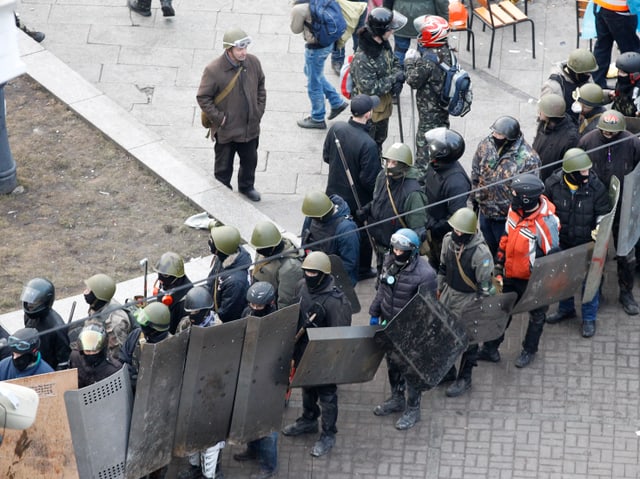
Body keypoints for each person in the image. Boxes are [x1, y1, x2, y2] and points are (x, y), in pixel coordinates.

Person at [478, 174, 560, 368]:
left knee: (537, 315)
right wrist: (499, 262)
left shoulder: (546, 223)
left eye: (514, 193)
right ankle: (491, 348)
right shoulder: (514, 211)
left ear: (526, 198)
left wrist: (543, 283)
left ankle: (529, 350)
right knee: (502, 310)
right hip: (510, 274)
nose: (511, 196)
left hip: (532, 279)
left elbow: (554, 256)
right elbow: (506, 236)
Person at [282, 252, 352, 458]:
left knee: (328, 397)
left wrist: (331, 362)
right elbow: (295, 314)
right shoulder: (301, 287)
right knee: (307, 387)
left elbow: (340, 335)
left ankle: (329, 434)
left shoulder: (337, 301)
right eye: (307, 272)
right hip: (304, 350)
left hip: (326, 356)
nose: (309, 276)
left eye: (314, 272)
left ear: (323, 274)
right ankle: (309, 419)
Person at [369, 228, 437, 430]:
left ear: (413, 251)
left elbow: (428, 308)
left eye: (402, 250)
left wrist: (415, 333)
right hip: (389, 324)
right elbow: (382, 288)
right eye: (395, 249)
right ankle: (397, 398)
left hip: (410, 332)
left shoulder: (426, 275)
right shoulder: (389, 260)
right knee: (393, 364)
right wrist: (375, 312)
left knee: (411, 371)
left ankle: (413, 409)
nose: (397, 253)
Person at [578, 110, 640, 315]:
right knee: (596, 254)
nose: (608, 134)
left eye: (613, 132)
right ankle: (596, 290)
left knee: (626, 253)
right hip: (595, 207)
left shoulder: (632, 143)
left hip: (624, 206)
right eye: (605, 131)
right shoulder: (587, 141)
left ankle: (626, 292)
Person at [544, 148, 611, 337]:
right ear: (571, 173)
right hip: (563, 242)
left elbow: (603, 212)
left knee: (590, 283)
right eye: (582, 172)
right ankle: (566, 310)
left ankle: (589, 318)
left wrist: (600, 227)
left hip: (587, 244)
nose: (586, 174)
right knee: (563, 280)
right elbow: (545, 210)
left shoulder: (596, 188)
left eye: (587, 170)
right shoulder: (553, 185)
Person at [197, 28, 266, 202]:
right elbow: (203, 97)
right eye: (239, 49)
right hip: (226, 130)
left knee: (250, 161)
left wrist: (258, 110)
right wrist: (219, 118)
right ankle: (222, 191)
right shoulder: (213, 70)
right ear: (229, 50)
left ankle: (246, 186)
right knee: (223, 166)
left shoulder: (253, 62)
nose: (244, 52)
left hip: (250, 127)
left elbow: (261, 86)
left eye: (245, 48)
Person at [323, 94, 381, 280]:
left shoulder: (336, 129)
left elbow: (326, 157)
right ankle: (363, 269)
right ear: (368, 114)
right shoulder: (368, 144)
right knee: (361, 235)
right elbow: (369, 180)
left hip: (333, 193)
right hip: (357, 201)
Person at [437, 208, 494, 397]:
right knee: (445, 333)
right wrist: (439, 288)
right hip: (449, 294)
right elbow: (443, 267)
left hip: (469, 299)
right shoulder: (448, 240)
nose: (456, 233)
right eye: (455, 229)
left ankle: (465, 377)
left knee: (469, 340)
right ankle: (447, 370)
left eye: (460, 231)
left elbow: (484, 286)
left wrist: (480, 309)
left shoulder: (481, 253)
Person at [470, 116, 541, 256]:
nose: (495, 136)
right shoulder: (486, 145)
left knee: (506, 252)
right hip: (485, 211)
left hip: (507, 218)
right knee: (490, 246)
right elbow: (476, 171)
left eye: (499, 134)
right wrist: (475, 196)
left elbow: (531, 191)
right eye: (494, 132)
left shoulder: (528, 159)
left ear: (509, 137)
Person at [118, 302, 174, 479]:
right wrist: (134, 379)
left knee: (158, 453)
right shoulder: (136, 336)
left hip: (161, 410)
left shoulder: (172, 346)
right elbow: (123, 359)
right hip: (135, 401)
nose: (142, 328)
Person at [176, 287, 225, 479]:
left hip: (212, 388)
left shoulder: (219, 329)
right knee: (190, 430)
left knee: (211, 438)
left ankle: (211, 473)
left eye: (195, 313)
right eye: (189, 313)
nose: (192, 317)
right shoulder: (185, 324)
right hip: (190, 384)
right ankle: (195, 466)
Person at [232, 282, 279, 479]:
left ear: (270, 303)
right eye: (252, 304)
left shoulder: (277, 323)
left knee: (267, 426)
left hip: (268, 379)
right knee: (250, 418)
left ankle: (269, 465)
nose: (254, 309)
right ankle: (253, 450)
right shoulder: (247, 313)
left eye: (259, 306)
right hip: (248, 374)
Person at [357, 142, 428, 271]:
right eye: (388, 162)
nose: (389, 166)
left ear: (403, 165)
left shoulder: (413, 194)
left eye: (394, 163)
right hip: (379, 242)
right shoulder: (382, 176)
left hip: (397, 252)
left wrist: (402, 254)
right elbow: (378, 200)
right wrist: (367, 209)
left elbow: (418, 231)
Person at [351, 7, 406, 151]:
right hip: (370, 115)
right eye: (390, 29)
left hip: (382, 108)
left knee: (379, 142)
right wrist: (394, 79)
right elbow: (370, 88)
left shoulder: (383, 44)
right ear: (380, 32)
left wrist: (398, 76)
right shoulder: (362, 58)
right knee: (368, 147)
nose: (392, 32)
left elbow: (394, 61)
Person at [404, 15, 453, 173]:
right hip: (442, 108)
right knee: (441, 141)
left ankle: (423, 183)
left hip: (429, 113)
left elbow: (413, 80)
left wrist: (409, 62)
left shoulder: (429, 60)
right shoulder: (446, 52)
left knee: (424, 150)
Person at [290, 1, 349, 129]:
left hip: (315, 48)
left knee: (314, 82)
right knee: (311, 72)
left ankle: (317, 117)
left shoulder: (300, 8)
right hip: (328, 43)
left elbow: (295, 29)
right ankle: (336, 102)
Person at [422, 127, 471, 270]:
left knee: (444, 265)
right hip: (431, 224)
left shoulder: (456, 183)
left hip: (442, 236)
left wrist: (434, 226)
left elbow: (457, 219)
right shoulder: (436, 164)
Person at [301, 191, 361, 285]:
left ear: (321, 217)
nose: (311, 218)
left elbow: (349, 263)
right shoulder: (313, 215)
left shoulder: (346, 229)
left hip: (336, 278)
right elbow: (305, 238)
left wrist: (323, 275)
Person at [68, 273, 131, 360]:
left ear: (98, 295)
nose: (85, 292)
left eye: (88, 290)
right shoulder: (98, 304)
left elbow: (117, 355)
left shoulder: (115, 322)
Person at [250, 221, 304, 309]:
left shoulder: (290, 267)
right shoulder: (264, 247)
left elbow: (286, 302)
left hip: (270, 305)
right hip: (258, 298)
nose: (259, 251)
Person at [20, 277, 70, 370]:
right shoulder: (29, 316)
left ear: (45, 301)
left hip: (48, 370)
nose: (29, 304)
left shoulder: (57, 327)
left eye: (35, 301)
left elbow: (63, 362)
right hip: (32, 363)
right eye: (29, 299)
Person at [206, 225, 251, 322]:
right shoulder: (223, 257)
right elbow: (211, 281)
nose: (210, 242)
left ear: (220, 248)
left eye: (212, 240)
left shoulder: (236, 282)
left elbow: (227, 313)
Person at [591, 0, 640, 88]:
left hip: (601, 6)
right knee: (631, 53)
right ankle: (631, 88)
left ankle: (597, 85)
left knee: (603, 46)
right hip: (620, 10)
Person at [540, 48, 598, 124]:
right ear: (575, 72)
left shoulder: (584, 76)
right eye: (586, 73)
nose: (589, 75)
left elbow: (593, 94)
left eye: (590, 73)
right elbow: (544, 115)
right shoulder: (553, 87)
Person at [382, 0, 449, 65]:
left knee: (400, 50)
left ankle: (398, 72)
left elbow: (387, 2)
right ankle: (424, 71)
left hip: (401, 13)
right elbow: (442, 2)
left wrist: (387, 15)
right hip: (425, 17)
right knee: (425, 50)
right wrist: (444, 20)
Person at [532, 93, 580, 182]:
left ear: (549, 114)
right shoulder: (544, 123)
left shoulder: (570, 138)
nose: (539, 112)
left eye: (541, 110)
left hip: (550, 182)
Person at [68, 321, 123, 388]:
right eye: (87, 350)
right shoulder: (75, 357)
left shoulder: (114, 369)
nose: (90, 353)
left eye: (94, 350)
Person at [153, 252, 193, 335]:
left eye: (165, 275)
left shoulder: (186, 301)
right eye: (159, 273)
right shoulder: (166, 285)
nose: (160, 278)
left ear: (176, 276)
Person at [331, 0, 369, 75]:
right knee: (340, 31)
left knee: (359, 34)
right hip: (342, 3)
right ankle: (337, 60)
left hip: (361, 4)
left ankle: (358, 59)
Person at [611, 51, 640, 117]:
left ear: (634, 75)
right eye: (619, 71)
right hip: (619, 115)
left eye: (622, 73)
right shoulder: (622, 83)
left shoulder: (637, 90)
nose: (619, 74)